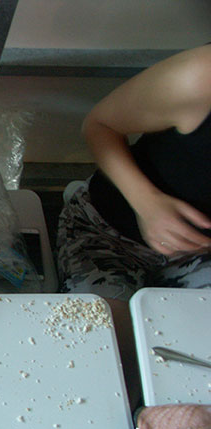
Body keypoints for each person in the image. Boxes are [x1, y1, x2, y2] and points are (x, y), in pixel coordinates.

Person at [56, 44, 211, 404]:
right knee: (104, 362)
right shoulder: (201, 78)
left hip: (200, 255)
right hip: (106, 231)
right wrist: (148, 205)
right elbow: (99, 124)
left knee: (190, 377)